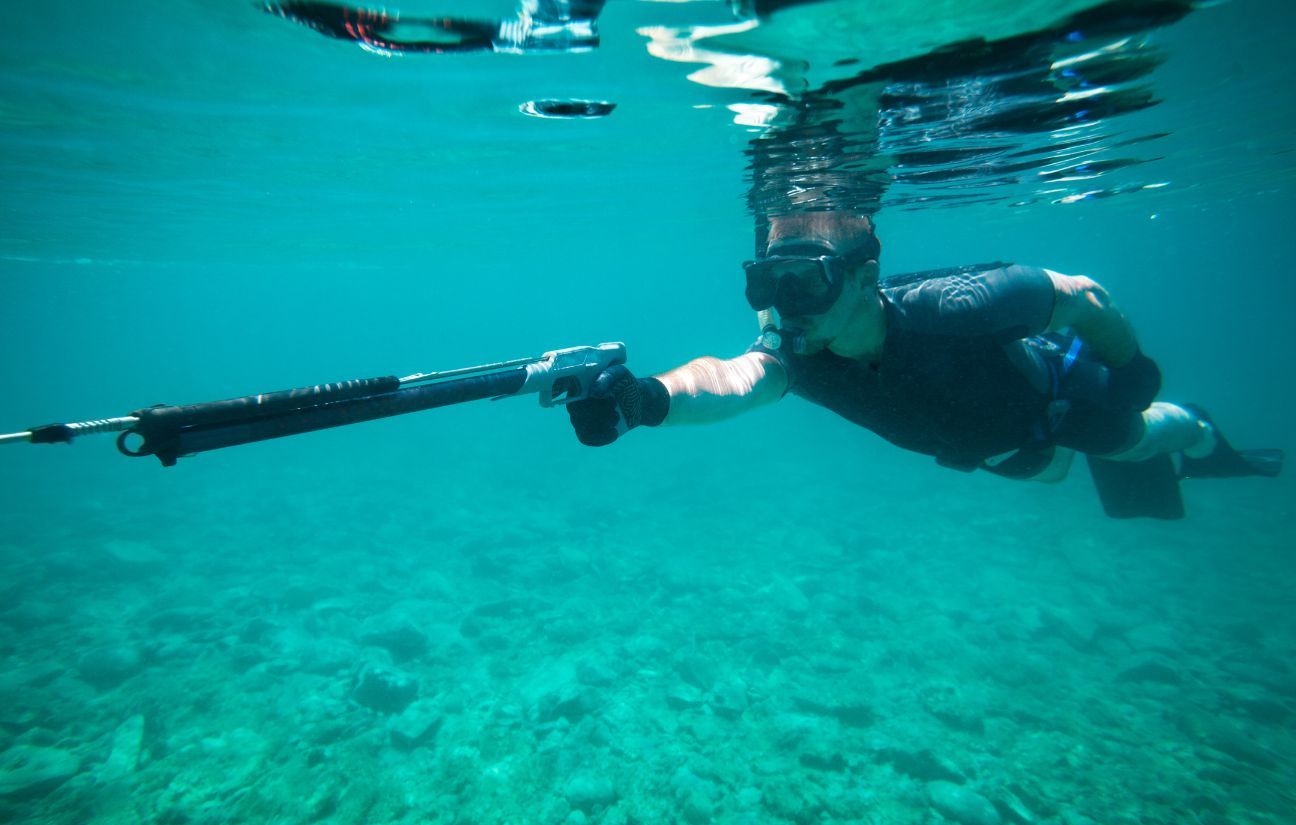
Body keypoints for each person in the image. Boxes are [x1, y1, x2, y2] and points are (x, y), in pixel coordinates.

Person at [565, 210, 1282, 519]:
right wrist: (641, 399)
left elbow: (1083, 295)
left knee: (1138, 438)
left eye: (804, 283)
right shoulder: (796, 355)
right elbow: (734, 378)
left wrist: (1132, 370)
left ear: (861, 272)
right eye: (766, 284)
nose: (786, 308)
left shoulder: (962, 305)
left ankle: (1198, 432)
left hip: (1060, 400)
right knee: (1049, 470)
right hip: (998, 450)